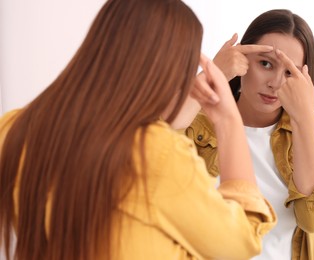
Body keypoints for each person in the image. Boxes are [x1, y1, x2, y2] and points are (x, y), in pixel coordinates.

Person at [0, 0, 277, 259]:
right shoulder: (155, 152)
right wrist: (228, 121)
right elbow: (241, 239)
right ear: (163, 71)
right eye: (184, 68)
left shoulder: (13, 128)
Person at [185, 9, 314, 260]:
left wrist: (303, 118)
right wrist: (212, 76)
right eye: (266, 63)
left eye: (289, 72)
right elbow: (144, 149)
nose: (275, 83)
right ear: (241, 60)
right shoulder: (196, 121)